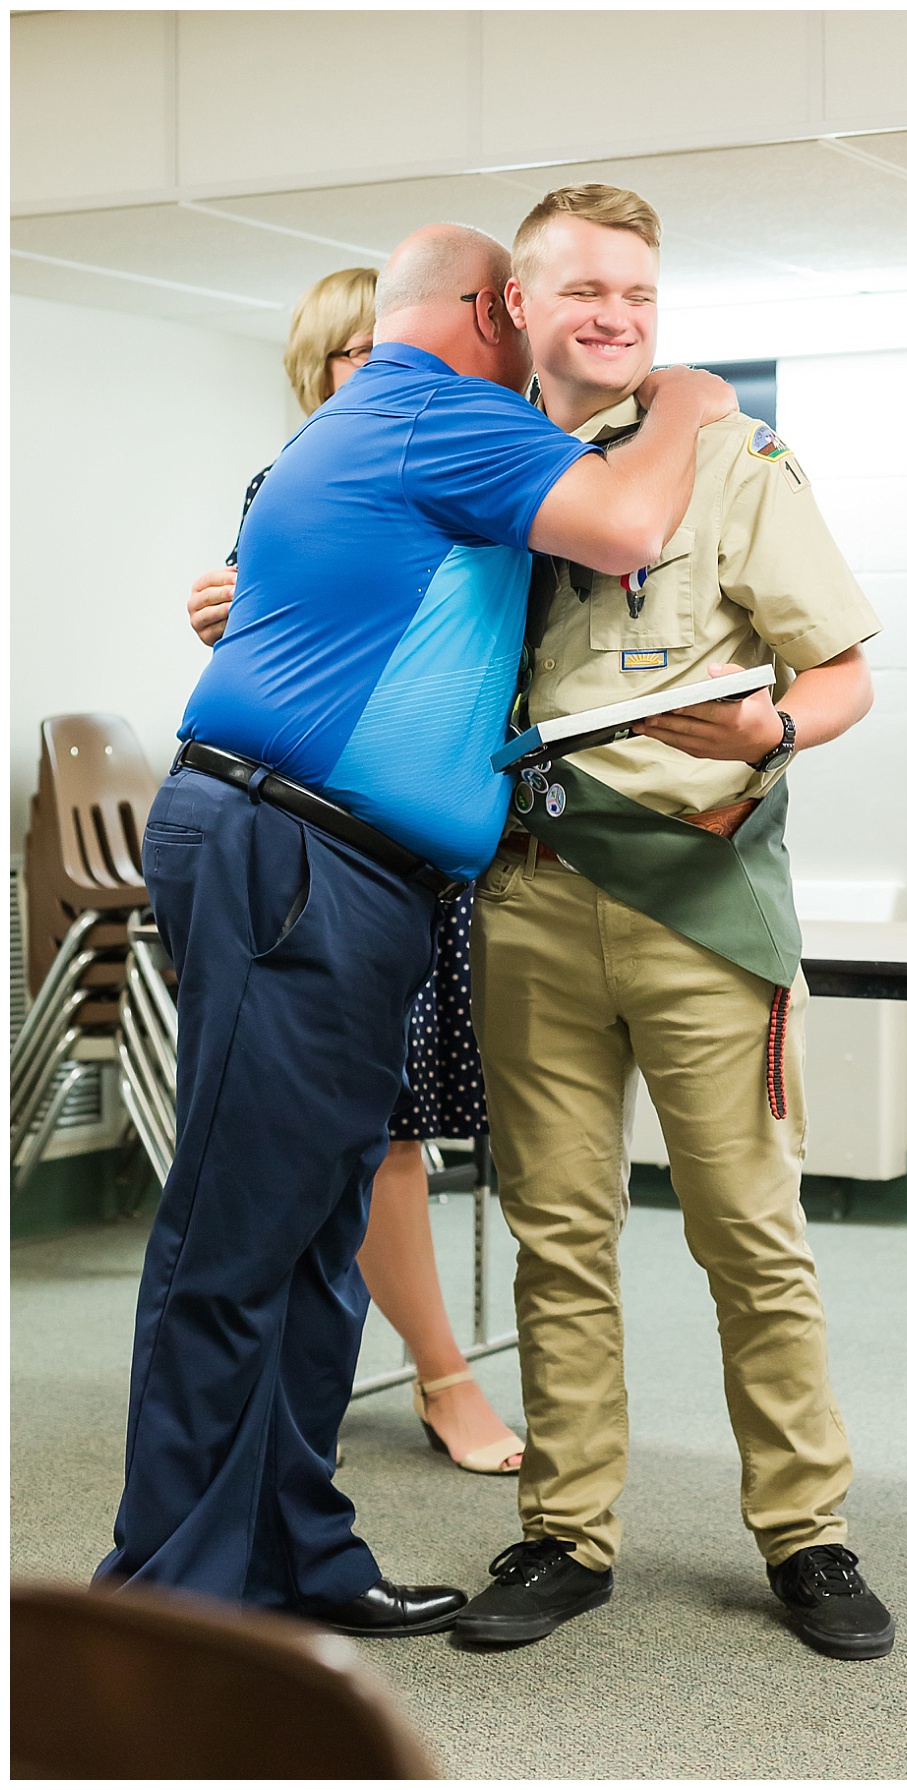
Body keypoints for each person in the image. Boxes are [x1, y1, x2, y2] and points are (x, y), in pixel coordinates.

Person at [94, 219, 736, 1636]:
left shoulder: (402, 424)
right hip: (295, 854)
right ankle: (166, 1613)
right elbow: (629, 523)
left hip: (339, 864)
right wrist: (693, 398)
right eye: (540, 303)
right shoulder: (433, 405)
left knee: (316, 1237)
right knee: (236, 1237)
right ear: (485, 311)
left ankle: (293, 1558)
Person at [453, 187, 896, 1660]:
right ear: (520, 302)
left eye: (637, 295)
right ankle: (565, 1532)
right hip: (529, 891)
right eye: (583, 289)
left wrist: (770, 727)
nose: (616, 318)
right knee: (557, 1234)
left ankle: (808, 1536)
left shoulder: (729, 457)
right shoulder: (475, 450)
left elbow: (839, 673)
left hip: (697, 898)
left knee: (749, 1237)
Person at [189, 266, 521, 1475]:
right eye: (341, 360)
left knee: (396, 1130)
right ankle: (443, 1375)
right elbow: (274, 640)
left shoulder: (465, 454)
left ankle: (314, 1451)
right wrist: (223, 615)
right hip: (311, 840)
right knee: (368, 1136)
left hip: (426, 844)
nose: (365, 377)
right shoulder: (290, 480)